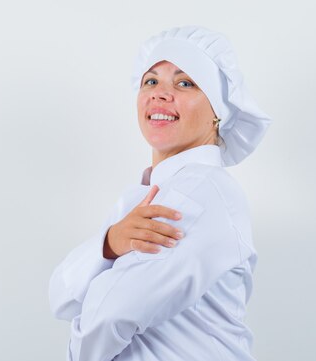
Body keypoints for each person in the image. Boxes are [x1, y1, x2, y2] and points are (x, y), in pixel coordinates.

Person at [48, 25, 272, 361]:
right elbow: (62, 296)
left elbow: (111, 312)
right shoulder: (151, 194)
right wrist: (108, 244)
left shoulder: (200, 193)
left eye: (185, 82)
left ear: (218, 112)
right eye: (150, 81)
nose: (159, 94)